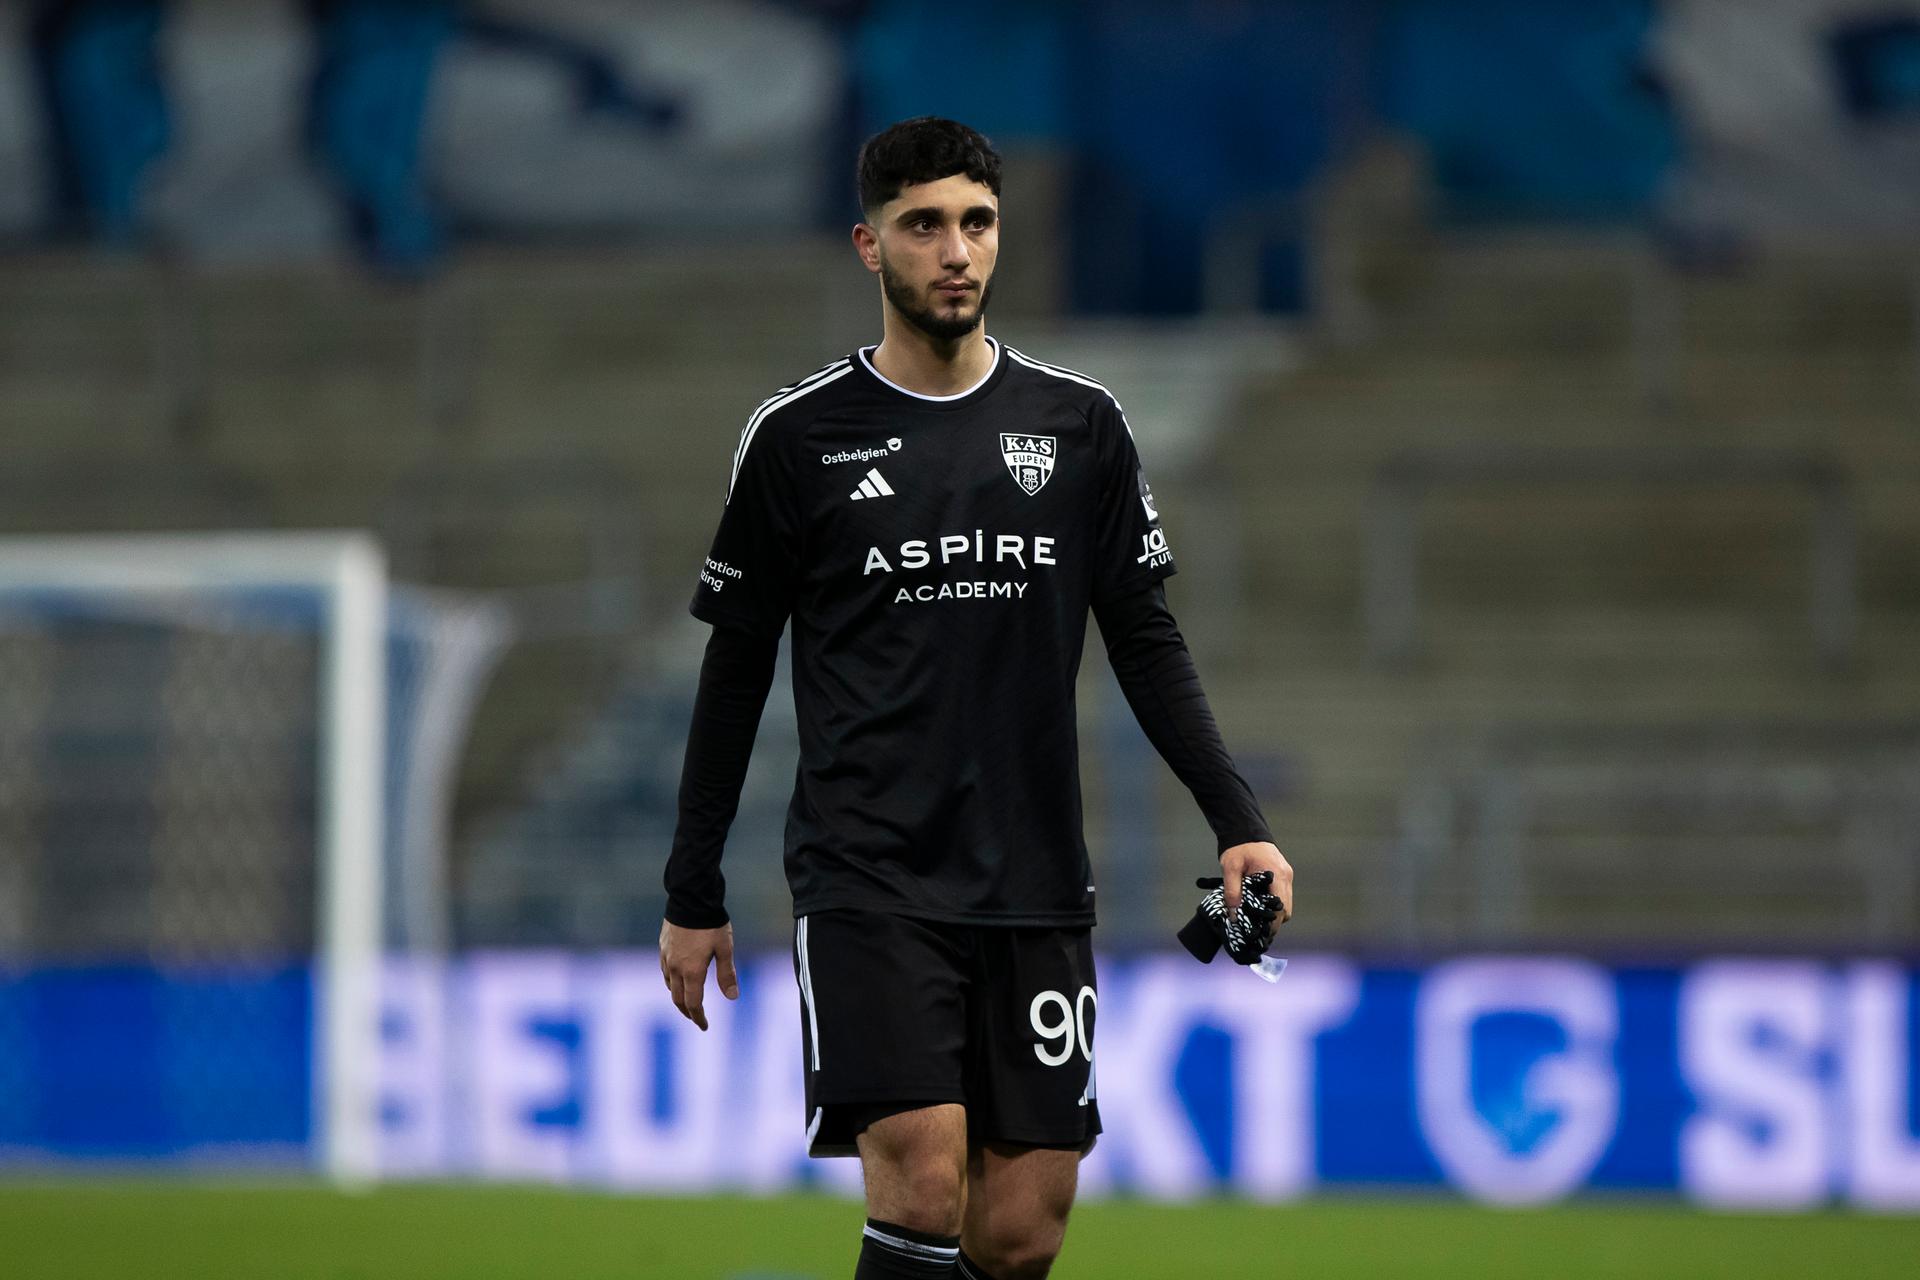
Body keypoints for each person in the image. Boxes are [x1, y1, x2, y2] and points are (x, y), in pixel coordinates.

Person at [659, 116, 1293, 1280]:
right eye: (924, 226)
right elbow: (735, 665)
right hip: (870, 875)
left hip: (1037, 877)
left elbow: (1145, 637)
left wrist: (1237, 817)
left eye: (977, 223)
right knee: (923, 1180)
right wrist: (692, 882)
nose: (955, 250)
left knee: (1019, 1229)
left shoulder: (1081, 426)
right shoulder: (798, 438)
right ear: (869, 246)